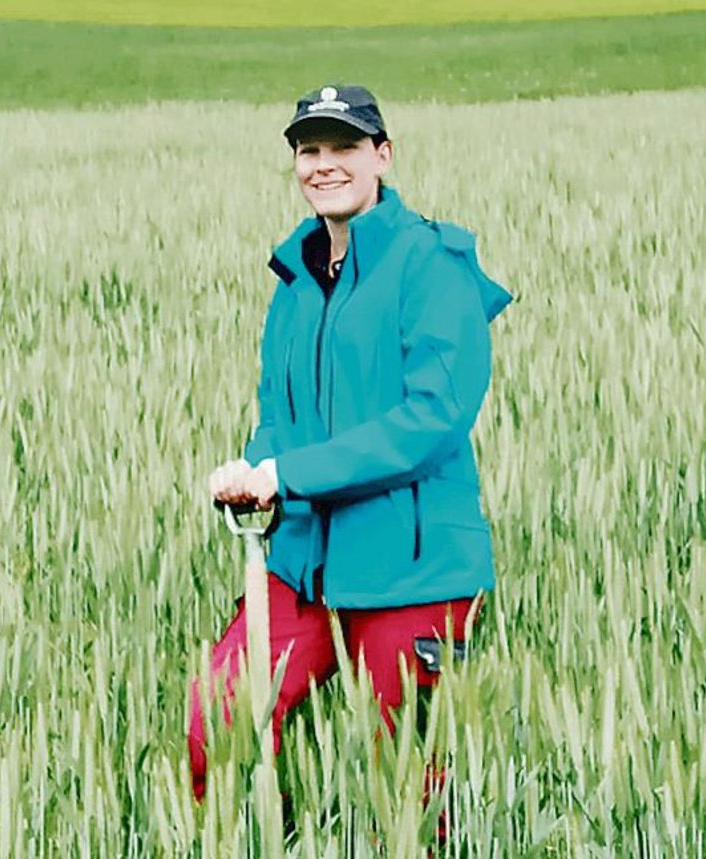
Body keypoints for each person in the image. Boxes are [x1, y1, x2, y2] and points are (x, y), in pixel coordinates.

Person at [193, 83, 513, 808]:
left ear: (383, 156)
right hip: (303, 561)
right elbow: (279, 410)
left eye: (343, 147)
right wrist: (252, 469)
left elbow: (431, 419)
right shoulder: (297, 279)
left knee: (407, 791)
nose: (324, 164)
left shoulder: (433, 264)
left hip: (413, 569)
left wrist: (290, 473)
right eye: (310, 150)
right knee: (217, 717)